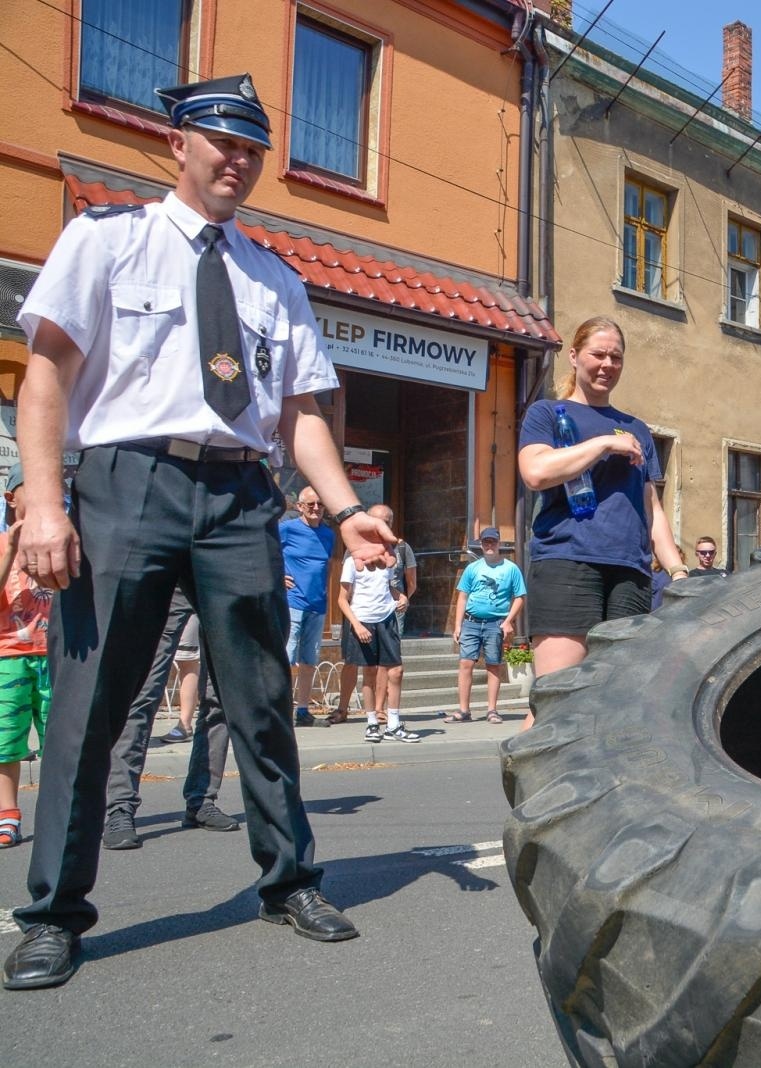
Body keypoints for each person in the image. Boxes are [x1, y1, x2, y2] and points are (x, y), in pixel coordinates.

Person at [4, 73, 396, 992]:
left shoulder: (273, 278)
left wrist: (347, 513)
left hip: (238, 494)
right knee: (90, 702)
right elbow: (48, 379)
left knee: (260, 703)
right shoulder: (107, 239)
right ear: (177, 143)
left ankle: (289, 880)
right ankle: (55, 914)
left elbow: (299, 415)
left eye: (253, 147)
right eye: (221, 141)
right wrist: (47, 505)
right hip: (124, 484)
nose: (238, 159)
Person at [517, 317, 690, 731]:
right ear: (575, 357)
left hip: (629, 571)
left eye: (616, 356)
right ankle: (530, 793)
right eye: (598, 354)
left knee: (616, 699)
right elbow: (536, 473)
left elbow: (653, 510)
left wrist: (679, 571)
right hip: (568, 562)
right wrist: (602, 443)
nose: (607, 364)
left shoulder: (637, 429)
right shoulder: (547, 413)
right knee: (558, 700)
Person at [103, 587, 236, 850]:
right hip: (169, 572)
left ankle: (202, 800)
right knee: (143, 694)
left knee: (218, 697)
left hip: (216, 570)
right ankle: (120, 808)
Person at [337, 504, 418, 743]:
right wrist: (357, 624)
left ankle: (393, 724)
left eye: (386, 523)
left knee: (396, 670)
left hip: (387, 619)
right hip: (363, 620)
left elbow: (388, 587)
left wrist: (400, 596)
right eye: (376, 522)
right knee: (369, 673)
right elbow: (342, 598)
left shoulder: (391, 553)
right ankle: (372, 722)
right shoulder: (354, 557)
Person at [0, 465, 50, 849]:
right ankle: (8, 815)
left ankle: (59, 814)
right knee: (6, 743)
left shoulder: (56, 540)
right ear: (11, 497)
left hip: (55, 654)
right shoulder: (2, 544)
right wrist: (13, 550)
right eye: (27, 488)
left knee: (60, 740)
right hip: (8, 656)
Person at [448, 528, 525, 725]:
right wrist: (458, 625)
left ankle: (492, 709)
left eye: (493, 542)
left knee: (493, 665)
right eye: (485, 542)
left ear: (499, 544)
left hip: (495, 624)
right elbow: (462, 597)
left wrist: (508, 621)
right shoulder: (473, 569)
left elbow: (520, 597)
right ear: (481, 545)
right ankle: (464, 710)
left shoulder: (510, 568)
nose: (489, 546)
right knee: (465, 663)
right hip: (471, 623)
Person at [282, 486, 335, 726]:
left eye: (320, 504)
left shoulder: (328, 534)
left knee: (309, 660)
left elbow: (328, 567)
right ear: (299, 506)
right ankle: (280, 710)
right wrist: (276, 576)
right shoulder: (286, 529)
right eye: (311, 504)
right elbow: (264, 553)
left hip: (317, 604)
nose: (316, 508)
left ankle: (302, 711)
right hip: (292, 602)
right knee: (286, 657)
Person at [373, 518, 417, 713]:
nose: (382, 524)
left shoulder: (401, 547)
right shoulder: (360, 546)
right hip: (367, 610)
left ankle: (386, 709)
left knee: (390, 662)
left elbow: (412, 581)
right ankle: (374, 710)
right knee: (370, 664)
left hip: (393, 610)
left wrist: (404, 600)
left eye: (386, 521)